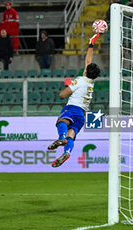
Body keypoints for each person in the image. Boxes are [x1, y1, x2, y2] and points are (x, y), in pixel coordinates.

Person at [48, 33, 101, 168]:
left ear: (86, 72)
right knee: (71, 135)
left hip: (72, 108)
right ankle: (67, 151)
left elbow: (62, 95)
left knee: (61, 122)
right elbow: (88, 62)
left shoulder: (80, 80)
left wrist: (67, 85)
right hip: (81, 115)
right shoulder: (91, 82)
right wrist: (91, 44)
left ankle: (61, 138)